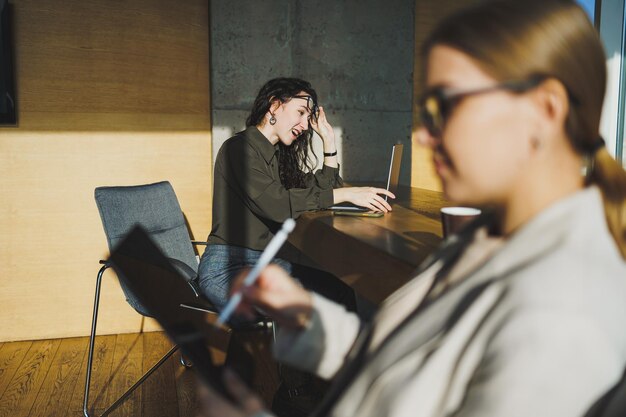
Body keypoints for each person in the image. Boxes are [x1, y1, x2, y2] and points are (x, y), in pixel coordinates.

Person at [197, 1, 626, 416]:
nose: (423, 136)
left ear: (545, 110)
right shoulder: (487, 241)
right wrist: (310, 320)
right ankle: (296, 393)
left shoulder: (565, 317)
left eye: (447, 105)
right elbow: (401, 365)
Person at [198, 77, 394, 313]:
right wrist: (345, 194)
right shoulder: (238, 149)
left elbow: (322, 187)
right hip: (227, 269)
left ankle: (344, 349)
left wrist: (329, 142)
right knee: (326, 302)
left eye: (307, 117)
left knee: (338, 291)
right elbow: (278, 205)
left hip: (264, 265)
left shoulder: (278, 156)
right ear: (274, 106)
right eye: (300, 112)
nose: (304, 125)